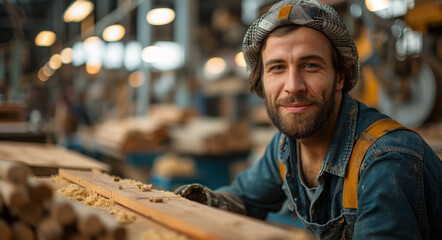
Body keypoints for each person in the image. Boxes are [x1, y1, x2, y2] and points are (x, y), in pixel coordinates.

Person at [174, 0, 442, 239]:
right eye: (277, 68)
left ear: (339, 77)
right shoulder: (287, 146)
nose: (293, 86)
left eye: (310, 65)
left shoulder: (386, 162)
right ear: (261, 83)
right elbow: (244, 198)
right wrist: (187, 204)